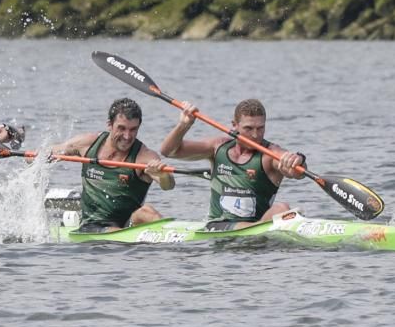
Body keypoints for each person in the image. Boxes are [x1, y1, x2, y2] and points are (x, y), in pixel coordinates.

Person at [160, 98, 305, 230]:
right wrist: (184, 125)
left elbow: (296, 172)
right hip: (217, 226)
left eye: (260, 128)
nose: (255, 135)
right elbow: (169, 151)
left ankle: (259, 228)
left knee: (282, 208)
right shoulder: (218, 147)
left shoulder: (270, 154)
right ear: (234, 126)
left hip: (256, 227)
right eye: (248, 128)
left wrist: (298, 160)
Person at [47, 98, 174, 233]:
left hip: (126, 226)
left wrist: (163, 175)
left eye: (133, 130)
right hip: (92, 225)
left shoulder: (144, 157)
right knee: (113, 230)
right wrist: (39, 156)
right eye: (121, 128)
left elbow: (168, 185)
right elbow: (53, 151)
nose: (127, 136)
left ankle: (173, 234)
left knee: (147, 211)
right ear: (109, 124)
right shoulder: (88, 143)